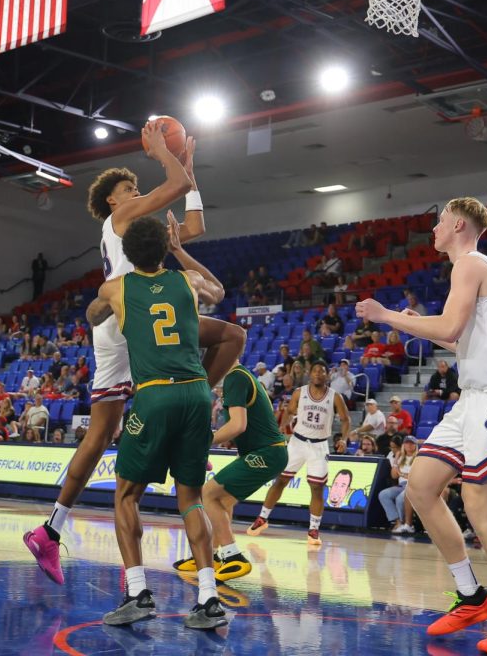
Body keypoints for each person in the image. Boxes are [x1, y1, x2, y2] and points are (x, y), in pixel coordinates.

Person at [23, 119, 208, 584]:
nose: (138, 191)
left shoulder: (136, 233)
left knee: (100, 434)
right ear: (112, 198)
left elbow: (194, 225)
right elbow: (176, 183)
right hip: (135, 318)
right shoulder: (119, 218)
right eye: (131, 187)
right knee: (227, 338)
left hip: (114, 327)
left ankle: (51, 529)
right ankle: (198, 425)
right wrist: (165, 157)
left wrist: (187, 173)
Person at [355, 197, 487, 654]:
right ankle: (472, 596)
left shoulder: (472, 263)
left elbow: (451, 330)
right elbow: (451, 327)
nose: (433, 229)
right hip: (473, 399)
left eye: (438, 222)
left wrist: (386, 317)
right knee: (420, 488)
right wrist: (419, 324)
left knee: (480, 506)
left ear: (458, 223)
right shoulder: (468, 269)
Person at [84, 213, 228, 629]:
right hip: (197, 394)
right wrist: (182, 251)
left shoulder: (116, 288)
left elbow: (94, 316)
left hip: (155, 395)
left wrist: (106, 303)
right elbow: (217, 291)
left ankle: (138, 592)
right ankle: (208, 598)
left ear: (128, 252)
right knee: (191, 497)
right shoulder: (187, 282)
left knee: (127, 495)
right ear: (163, 249)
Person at [173, 363, 287, 581]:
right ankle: (213, 556)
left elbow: (238, 425)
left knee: (207, 494)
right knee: (222, 502)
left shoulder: (235, 377)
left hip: (267, 452)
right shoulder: (241, 376)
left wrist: (203, 443)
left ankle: (232, 555)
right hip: (265, 451)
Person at [246, 359, 350, 546]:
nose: (318, 373)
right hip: (297, 442)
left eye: (322, 371)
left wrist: (343, 438)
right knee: (281, 480)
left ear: (328, 375)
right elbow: (290, 412)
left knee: (317, 488)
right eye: (315, 370)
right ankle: (262, 518)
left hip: (319, 446)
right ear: (310, 373)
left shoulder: (335, 397)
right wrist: (282, 428)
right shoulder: (299, 393)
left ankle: (313, 529)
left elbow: (345, 420)